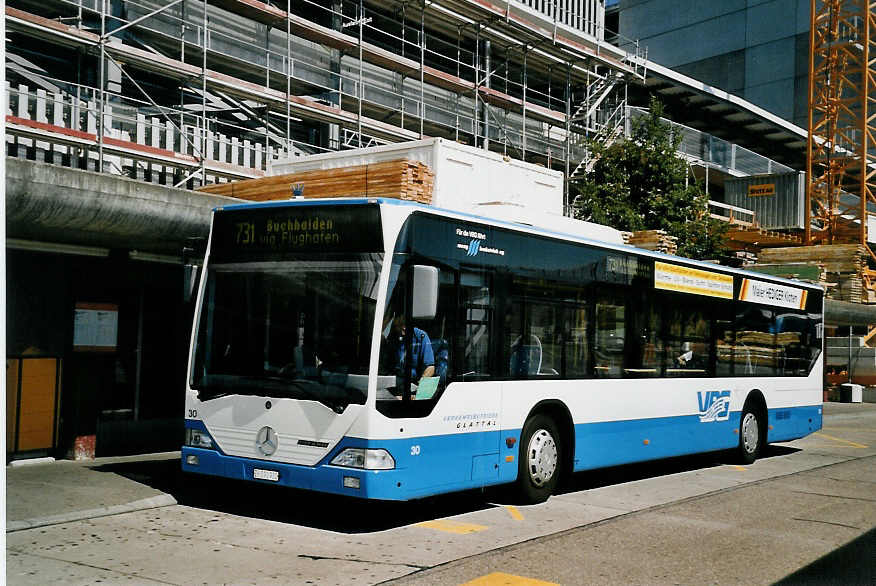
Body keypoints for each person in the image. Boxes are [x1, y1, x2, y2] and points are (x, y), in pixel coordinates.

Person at [382, 313, 435, 391]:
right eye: (399, 325)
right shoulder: (393, 337)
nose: (403, 328)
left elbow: (430, 368)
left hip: (413, 384)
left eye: (405, 324)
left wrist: (419, 389)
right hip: (394, 383)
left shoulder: (421, 336)